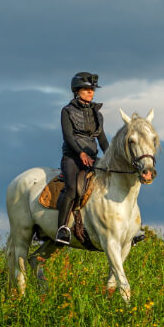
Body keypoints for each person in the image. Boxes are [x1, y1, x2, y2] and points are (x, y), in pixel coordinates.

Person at [55, 72, 109, 245]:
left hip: (92, 158)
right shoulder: (67, 111)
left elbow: (101, 139)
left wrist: (110, 157)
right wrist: (81, 153)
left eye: (92, 89)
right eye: (86, 89)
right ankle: (62, 229)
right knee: (71, 188)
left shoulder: (97, 114)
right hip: (72, 158)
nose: (90, 92)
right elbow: (68, 136)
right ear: (77, 91)